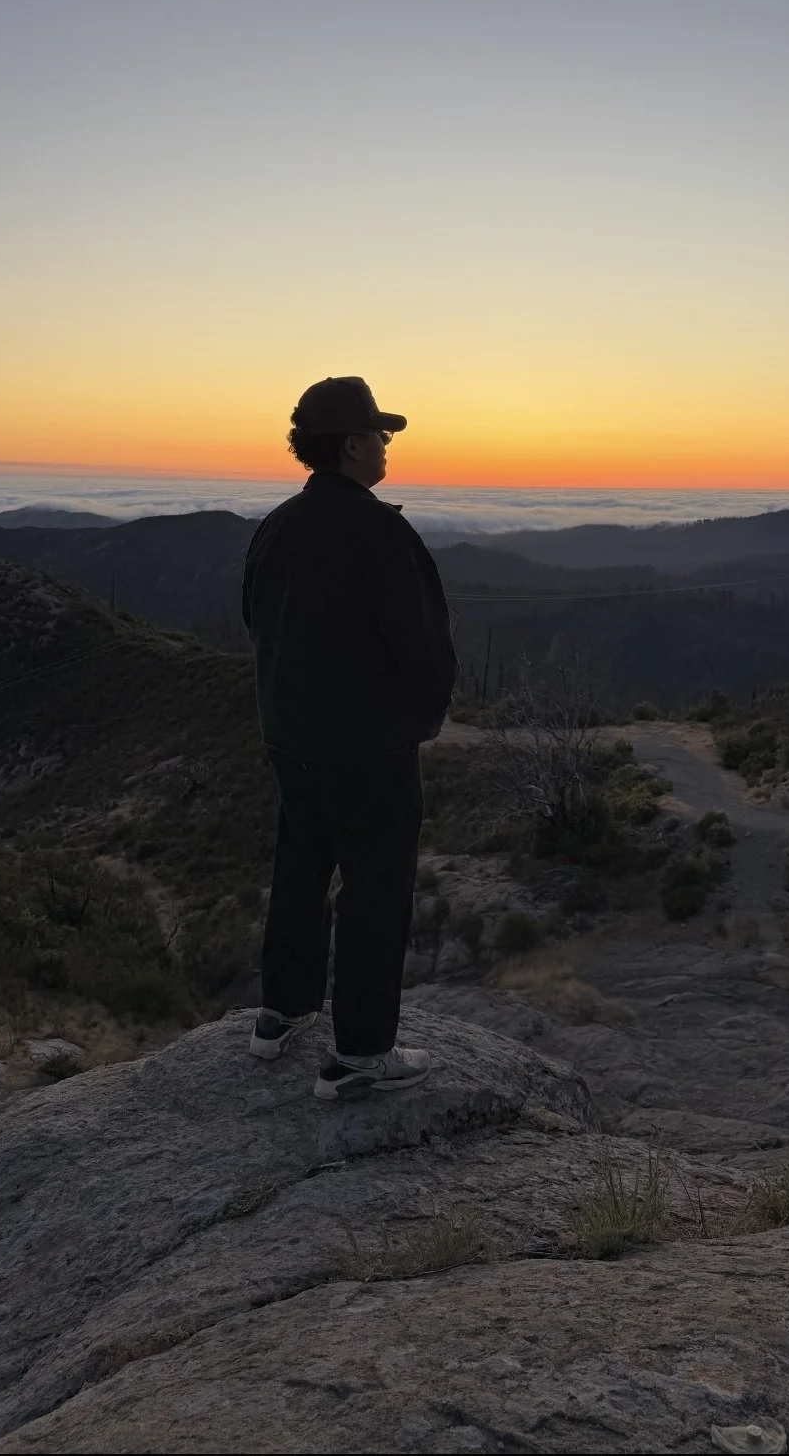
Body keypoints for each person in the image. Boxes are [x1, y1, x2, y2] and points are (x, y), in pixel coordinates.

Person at [241, 376, 459, 1100]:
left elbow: (255, 618)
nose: (388, 445)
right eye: (381, 434)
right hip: (367, 744)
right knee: (376, 887)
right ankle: (362, 1054)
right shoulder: (378, 530)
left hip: (290, 735)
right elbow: (420, 643)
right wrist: (421, 718)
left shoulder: (275, 525)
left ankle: (282, 1012)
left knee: (301, 864)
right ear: (354, 444)